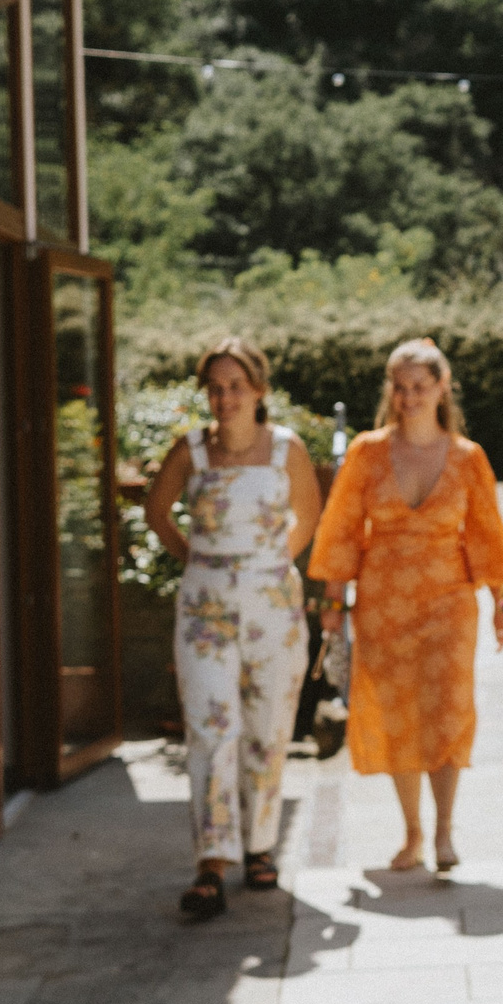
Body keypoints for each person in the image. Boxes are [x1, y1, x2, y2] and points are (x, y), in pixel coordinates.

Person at [307, 338, 503, 873]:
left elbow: (489, 535)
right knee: (397, 713)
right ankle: (412, 834)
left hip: (450, 604)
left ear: (442, 387)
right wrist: (333, 601)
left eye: (420, 386)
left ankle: (444, 831)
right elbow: (341, 530)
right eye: (399, 387)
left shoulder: (468, 457)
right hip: (382, 604)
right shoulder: (367, 452)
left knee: (448, 709)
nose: (408, 397)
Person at [143, 337, 322, 918]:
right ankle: (212, 862)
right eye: (215, 388)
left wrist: (270, 565)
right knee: (211, 728)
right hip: (206, 610)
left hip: (273, 607)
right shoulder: (191, 451)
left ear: (258, 390)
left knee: (269, 725)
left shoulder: (286, 449)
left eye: (236, 387)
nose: (225, 399)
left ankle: (261, 844)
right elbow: (156, 512)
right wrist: (197, 560)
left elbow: (309, 515)